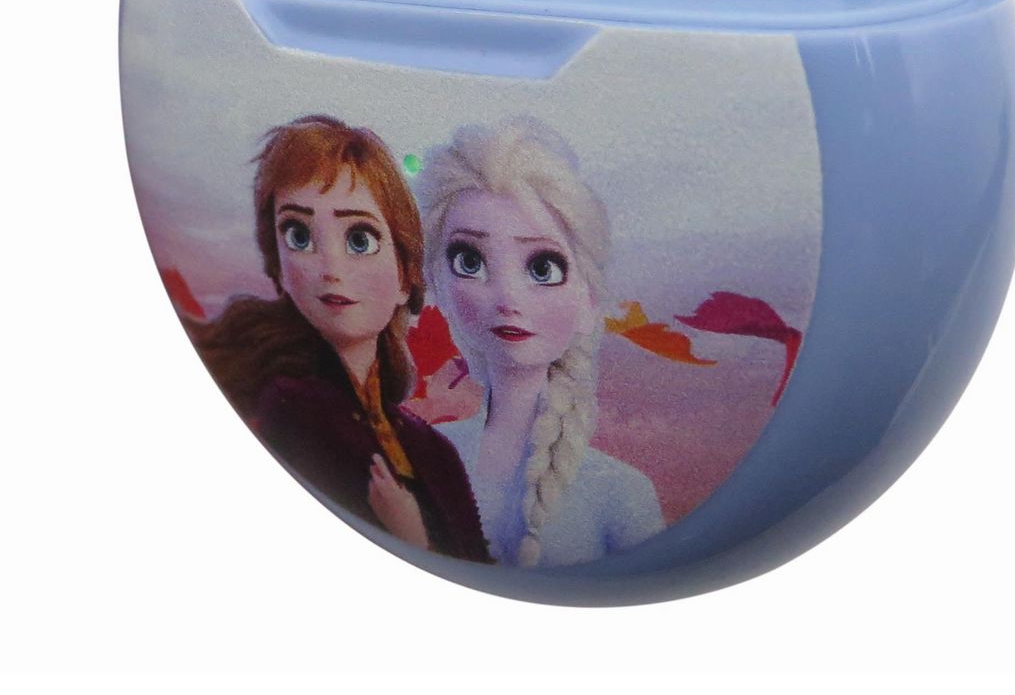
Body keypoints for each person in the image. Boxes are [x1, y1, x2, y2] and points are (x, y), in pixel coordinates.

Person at [189, 114, 490, 563]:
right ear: (278, 268)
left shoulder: (433, 450)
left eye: (359, 240)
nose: (330, 268)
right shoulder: (290, 408)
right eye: (298, 235)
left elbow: (476, 564)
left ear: (405, 276)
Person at [417, 118, 665, 567]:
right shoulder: (421, 457)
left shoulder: (619, 493)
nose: (507, 299)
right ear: (437, 283)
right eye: (469, 261)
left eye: (542, 268)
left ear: (589, 300)